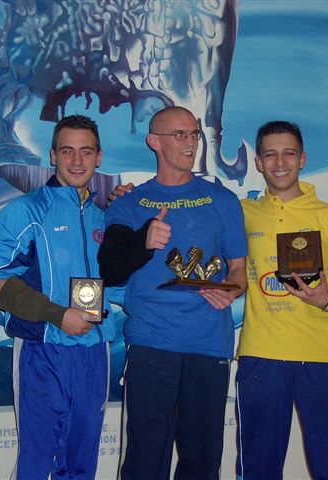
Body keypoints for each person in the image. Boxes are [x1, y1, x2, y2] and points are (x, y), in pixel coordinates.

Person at [98, 106, 247, 480]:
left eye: (194, 133)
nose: (190, 142)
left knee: (202, 463)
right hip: (151, 345)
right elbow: (110, 268)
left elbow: (239, 271)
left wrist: (230, 291)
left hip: (208, 345)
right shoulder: (129, 202)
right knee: (145, 463)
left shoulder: (223, 200)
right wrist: (143, 241)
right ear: (154, 141)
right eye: (179, 134)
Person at [0, 115, 116, 479]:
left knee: (82, 461)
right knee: (38, 460)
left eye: (86, 151)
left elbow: (117, 283)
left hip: (94, 351)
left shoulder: (103, 219)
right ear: (53, 155)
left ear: (99, 157)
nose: (77, 160)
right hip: (42, 349)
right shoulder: (25, 211)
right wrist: (58, 315)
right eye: (67, 151)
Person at [236, 120, 328, 479]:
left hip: (320, 354)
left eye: (288, 153)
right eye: (270, 154)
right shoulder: (242, 213)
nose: (280, 162)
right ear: (259, 162)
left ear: (302, 159)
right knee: (258, 468)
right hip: (260, 355)